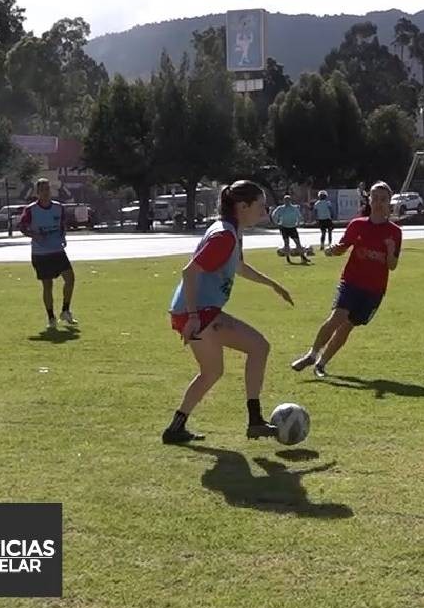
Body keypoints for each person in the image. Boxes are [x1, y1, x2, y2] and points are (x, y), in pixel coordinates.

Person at [164, 180, 294, 445]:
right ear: (242, 206)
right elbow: (189, 272)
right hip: (199, 314)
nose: (264, 211)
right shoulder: (224, 236)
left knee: (212, 372)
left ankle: (175, 428)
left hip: (195, 313)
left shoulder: (232, 231)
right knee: (259, 347)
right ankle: (255, 421)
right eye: (260, 205)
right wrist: (192, 317)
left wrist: (273, 285)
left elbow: (240, 267)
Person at [291, 181, 401, 378]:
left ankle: (321, 364)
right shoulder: (357, 225)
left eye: (383, 199)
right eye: (375, 198)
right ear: (369, 199)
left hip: (374, 289)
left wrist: (391, 250)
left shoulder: (395, 232)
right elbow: (343, 247)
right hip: (351, 282)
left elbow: (392, 265)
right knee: (337, 317)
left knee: (347, 326)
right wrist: (333, 250)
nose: (378, 203)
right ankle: (311, 354)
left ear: (389, 201)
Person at [18, 178, 76, 329]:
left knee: (70, 278)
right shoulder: (31, 209)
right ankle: (51, 317)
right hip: (41, 253)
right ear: (37, 193)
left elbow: (62, 224)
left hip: (57, 250)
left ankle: (65, 310)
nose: (45, 192)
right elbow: (22, 227)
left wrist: (63, 237)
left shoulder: (58, 207)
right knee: (47, 285)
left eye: (47, 189)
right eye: (42, 190)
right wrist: (34, 235)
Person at [271, 194, 310, 265]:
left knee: (298, 243)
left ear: (290, 201)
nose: (287, 202)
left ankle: (303, 257)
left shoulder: (294, 208)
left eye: (288, 200)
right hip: (284, 227)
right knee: (286, 243)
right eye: (285, 200)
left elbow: (299, 216)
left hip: (292, 227)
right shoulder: (281, 208)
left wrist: (298, 223)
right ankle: (288, 258)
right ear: (284, 201)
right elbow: (274, 215)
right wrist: (276, 222)